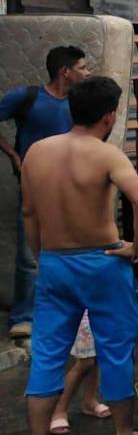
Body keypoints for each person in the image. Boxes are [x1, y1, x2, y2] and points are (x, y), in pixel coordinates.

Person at [11, 76, 138, 435]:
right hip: (104, 262)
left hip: (56, 262)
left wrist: (44, 256)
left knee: (47, 354)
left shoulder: (36, 153)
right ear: (110, 116)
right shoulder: (107, 155)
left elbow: (28, 214)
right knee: (114, 351)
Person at [0, 45, 91, 339]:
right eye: (82, 67)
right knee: (30, 255)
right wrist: (14, 156)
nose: (87, 73)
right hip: (35, 188)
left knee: (71, 249)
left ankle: (63, 314)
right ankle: (23, 317)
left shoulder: (79, 104)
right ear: (66, 72)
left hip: (72, 187)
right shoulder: (27, 98)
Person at [47, 314, 111, 435]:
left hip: (99, 309)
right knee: (85, 361)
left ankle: (90, 401)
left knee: (94, 358)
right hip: (82, 311)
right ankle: (59, 410)